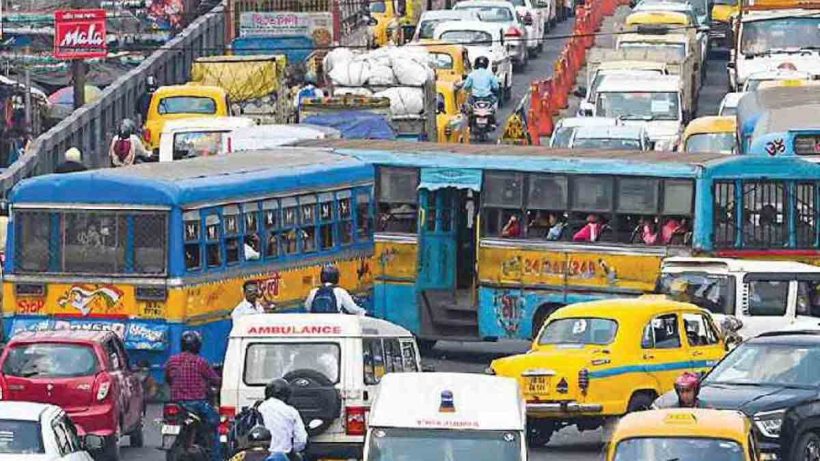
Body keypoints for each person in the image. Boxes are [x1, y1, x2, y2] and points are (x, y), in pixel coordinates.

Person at [165, 331, 222, 461]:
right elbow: (215, 380)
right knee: (217, 425)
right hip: (197, 404)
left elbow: (168, 379)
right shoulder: (200, 362)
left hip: (176, 404)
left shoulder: (172, 361)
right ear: (197, 345)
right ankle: (216, 457)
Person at [257, 379, 308, 461]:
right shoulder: (291, 411)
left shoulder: (258, 408)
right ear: (287, 394)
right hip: (284, 456)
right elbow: (301, 440)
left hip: (259, 455)